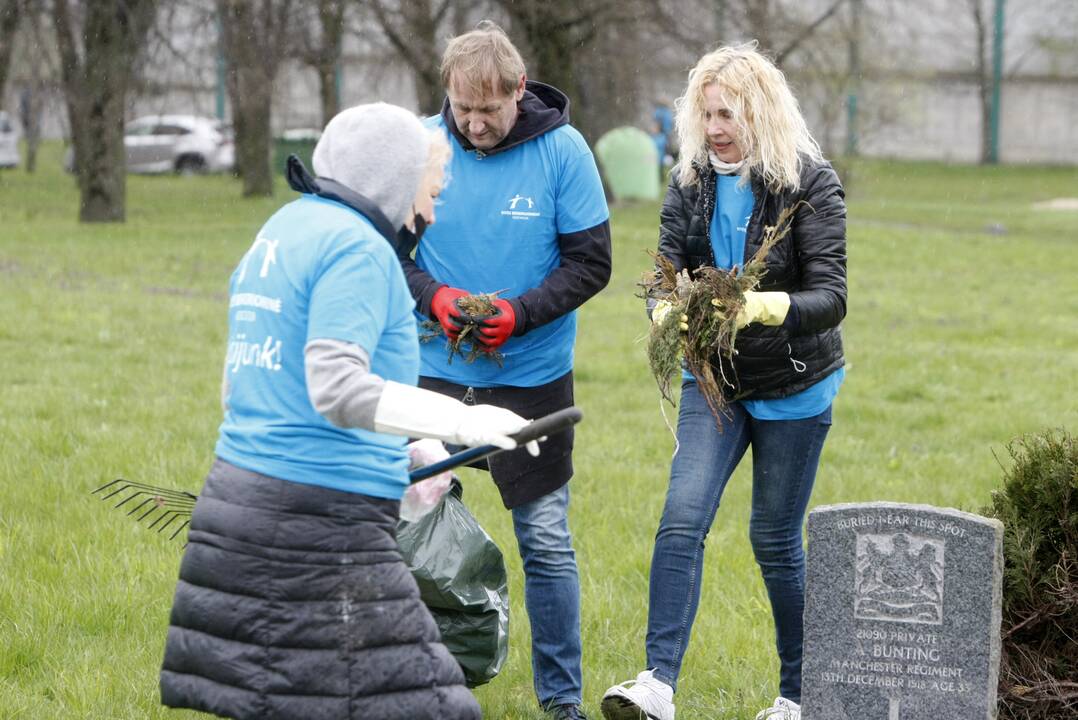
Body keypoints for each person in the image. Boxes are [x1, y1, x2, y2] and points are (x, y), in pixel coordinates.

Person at [159, 102, 542, 720]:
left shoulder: (283, 230)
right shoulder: (358, 249)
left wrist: (403, 445)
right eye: (431, 191)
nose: (433, 211)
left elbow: (248, 389)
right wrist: (462, 421)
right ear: (395, 181)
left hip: (235, 509)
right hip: (320, 527)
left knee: (292, 701)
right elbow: (336, 388)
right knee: (434, 707)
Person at [601, 44, 847, 720]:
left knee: (772, 539)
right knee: (681, 520)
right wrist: (662, 310)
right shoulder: (689, 182)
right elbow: (664, 268)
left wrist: (762, 306)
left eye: (728, 113)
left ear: (760, 113)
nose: (715, 127)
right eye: (706, 113)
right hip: (712, 381)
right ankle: (655, 686)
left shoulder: (810, 184)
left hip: (796, 385)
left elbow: (831, 297)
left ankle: (799, 696)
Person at [395, 21, 612, 720]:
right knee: (404, 527)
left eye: (489, 109)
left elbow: (591, 263)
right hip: (431, 371)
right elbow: (387, 254)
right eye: (463, 108)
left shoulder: (563, 151)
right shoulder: (423, 147)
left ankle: (561, 700)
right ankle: (408, 683)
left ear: (519, 91)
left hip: (531, 377)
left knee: (545, 539)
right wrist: (437, 298)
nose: (476, 123)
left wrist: (518, 313)